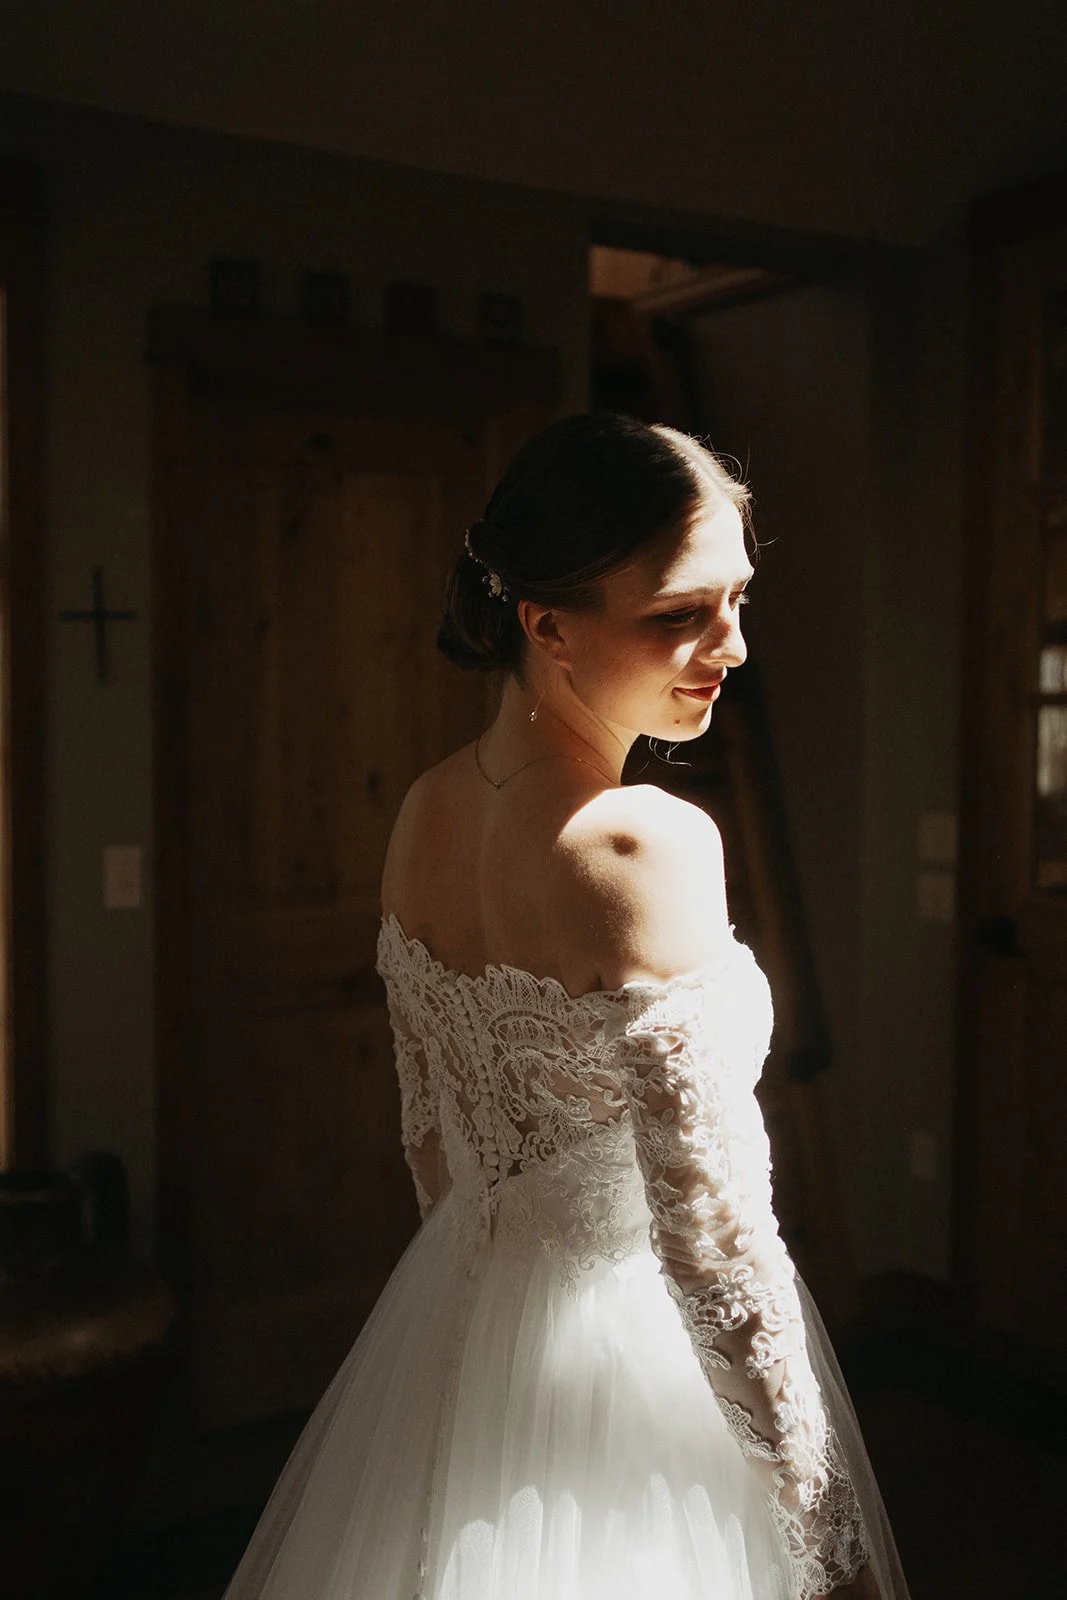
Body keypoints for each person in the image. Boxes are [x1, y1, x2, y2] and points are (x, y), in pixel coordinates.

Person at [221, 412, 911, 1600]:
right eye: (677, 614)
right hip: (633, 1378)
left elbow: (432, 1144)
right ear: (544, 622)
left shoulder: (423, 812)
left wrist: (467, 1338)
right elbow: (715, 1242)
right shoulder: (643, 843)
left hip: (462, 1317)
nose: (731, 645)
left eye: (737, 598)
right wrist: (820, 1529)